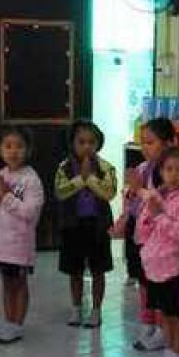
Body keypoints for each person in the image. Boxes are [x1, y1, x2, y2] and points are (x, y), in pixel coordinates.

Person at [112, 117, 177, 352]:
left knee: (157, 283)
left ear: (168, 144)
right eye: (142, 143)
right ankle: (147, 323)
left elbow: (159, 201)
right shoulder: (141, 168)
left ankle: (161, 329)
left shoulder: (171, 173)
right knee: (143, 281)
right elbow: (131, 200)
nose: (145, 148)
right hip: (140, 234)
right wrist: (123, 219)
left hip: (159, 238)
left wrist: (139, 188)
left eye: (150, 142)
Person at [136, 146, 179, 357]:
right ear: (161, 171)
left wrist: (158, 215)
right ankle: (169, 352)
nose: (173, 175)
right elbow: (144, 228)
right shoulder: (160, 195)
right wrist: (150, 211)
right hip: (156, 267)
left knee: (176, 314)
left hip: (175, 269)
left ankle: (177, 355)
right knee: (164, 313)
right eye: (169, 169)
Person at [0, 126, 44, 344]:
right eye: (8, 146)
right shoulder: (0, 174)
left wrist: (7, 197)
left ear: (28, 150)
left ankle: (17, 325)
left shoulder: (31, 179)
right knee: (6, 283)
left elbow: (30, 212)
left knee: (19, 283)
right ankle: (8, 322)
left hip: (19, 244)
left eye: (19, 146)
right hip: (0, 244)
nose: (13, 151)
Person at [54, 120, 118, 328]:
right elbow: (60, 192)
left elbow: (109, 193)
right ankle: (76, 308)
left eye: (92, 142)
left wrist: (89, 177)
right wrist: (80, 179)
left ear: (98, 143)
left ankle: (96, 310)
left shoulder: (106, 167)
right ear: (72, 143)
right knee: (75, 270)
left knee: (98, 269)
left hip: (98, 226)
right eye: (81, 142)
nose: (87, 146)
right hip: (72, 225)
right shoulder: (64, 167)